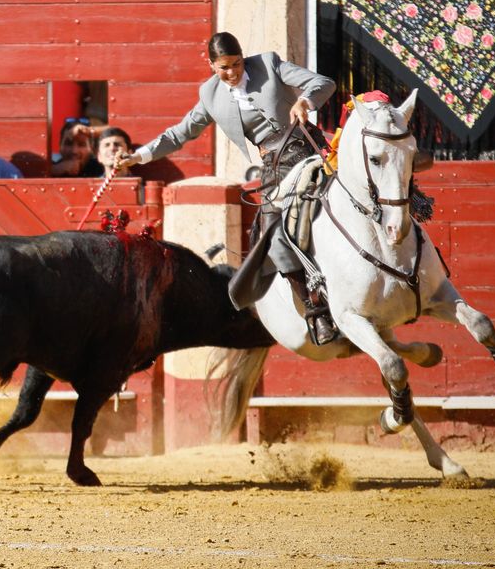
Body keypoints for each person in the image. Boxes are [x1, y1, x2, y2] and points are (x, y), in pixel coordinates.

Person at [114, 31, 336, 341]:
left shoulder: (269, 64)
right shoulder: (210, 94)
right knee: (274, 237)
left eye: (237, 64)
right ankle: (316, 311)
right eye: (224, 67)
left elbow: (323, 82)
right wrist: (138, 156)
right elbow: (180, 133)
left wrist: (304, 100)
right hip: (275, 167)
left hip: (308, 149)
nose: (232, 73)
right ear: (211, 65)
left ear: (244, 58)